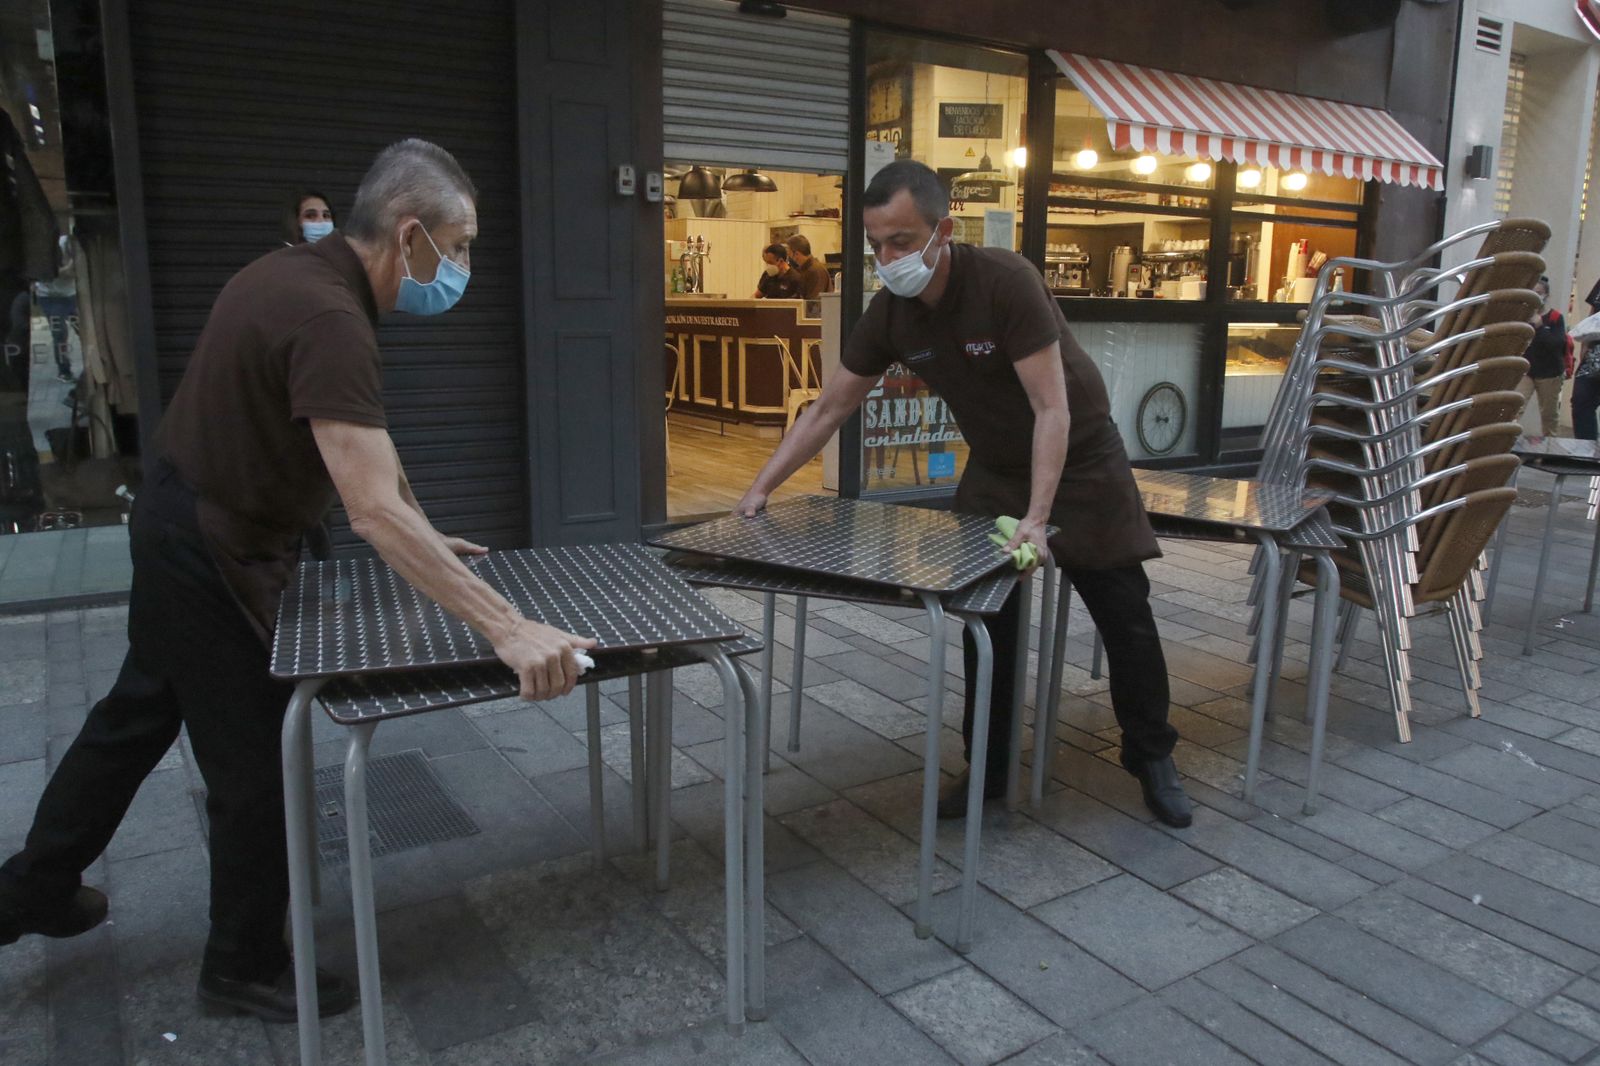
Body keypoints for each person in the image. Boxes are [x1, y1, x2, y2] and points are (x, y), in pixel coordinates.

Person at [0, 139, 596, 1021]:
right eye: (460, 245)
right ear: (409, 235)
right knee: (254, 764)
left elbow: (374, 452)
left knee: (136, 715)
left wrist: (431, 531)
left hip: (179, 513)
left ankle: (29, 891)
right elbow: (371, 510)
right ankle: (240, 965)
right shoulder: (329, 319)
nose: (464, 266)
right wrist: (507, 627)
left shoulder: (296, 275)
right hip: (211, 542)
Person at [736, 160, 1190, 828]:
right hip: (998, 468)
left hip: (1083, 456)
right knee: (989, 618)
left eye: (901, 240)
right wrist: (759, 490)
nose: (888, 257)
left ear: (942, 230)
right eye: (876, 243)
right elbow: (830, 409)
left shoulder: (1006, 282)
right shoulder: (890, 314)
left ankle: (1152, 756)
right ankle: (991, 768)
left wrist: (1038, 520)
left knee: (1122, 610)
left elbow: (1052, 409)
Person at [1517, 276, 1567, 440]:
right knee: (1516, 406)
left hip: (1550, 373)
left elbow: (1556, 344)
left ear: (1546, 295)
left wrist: (1540, 327)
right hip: (1527, 370)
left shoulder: (1555, 318)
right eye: (1533, 293)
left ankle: (1550, 445)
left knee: (1548, 414)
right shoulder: (1523, 317)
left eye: (1540, 293)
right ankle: (1507, 441)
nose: (1536, 296)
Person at [784, 233, 833, 299]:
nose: (789, 258)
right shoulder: (804, 269)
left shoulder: (815, 270)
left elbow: (814, 301)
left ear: (796, 254)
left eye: (789, 254)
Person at [1572, 334, 1600, 440]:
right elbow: (1584, 346)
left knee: (1581, 406)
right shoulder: (1593, 320)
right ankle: (1585, 449)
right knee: (1581, 407)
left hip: (1588, 369)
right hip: (1588, 369)